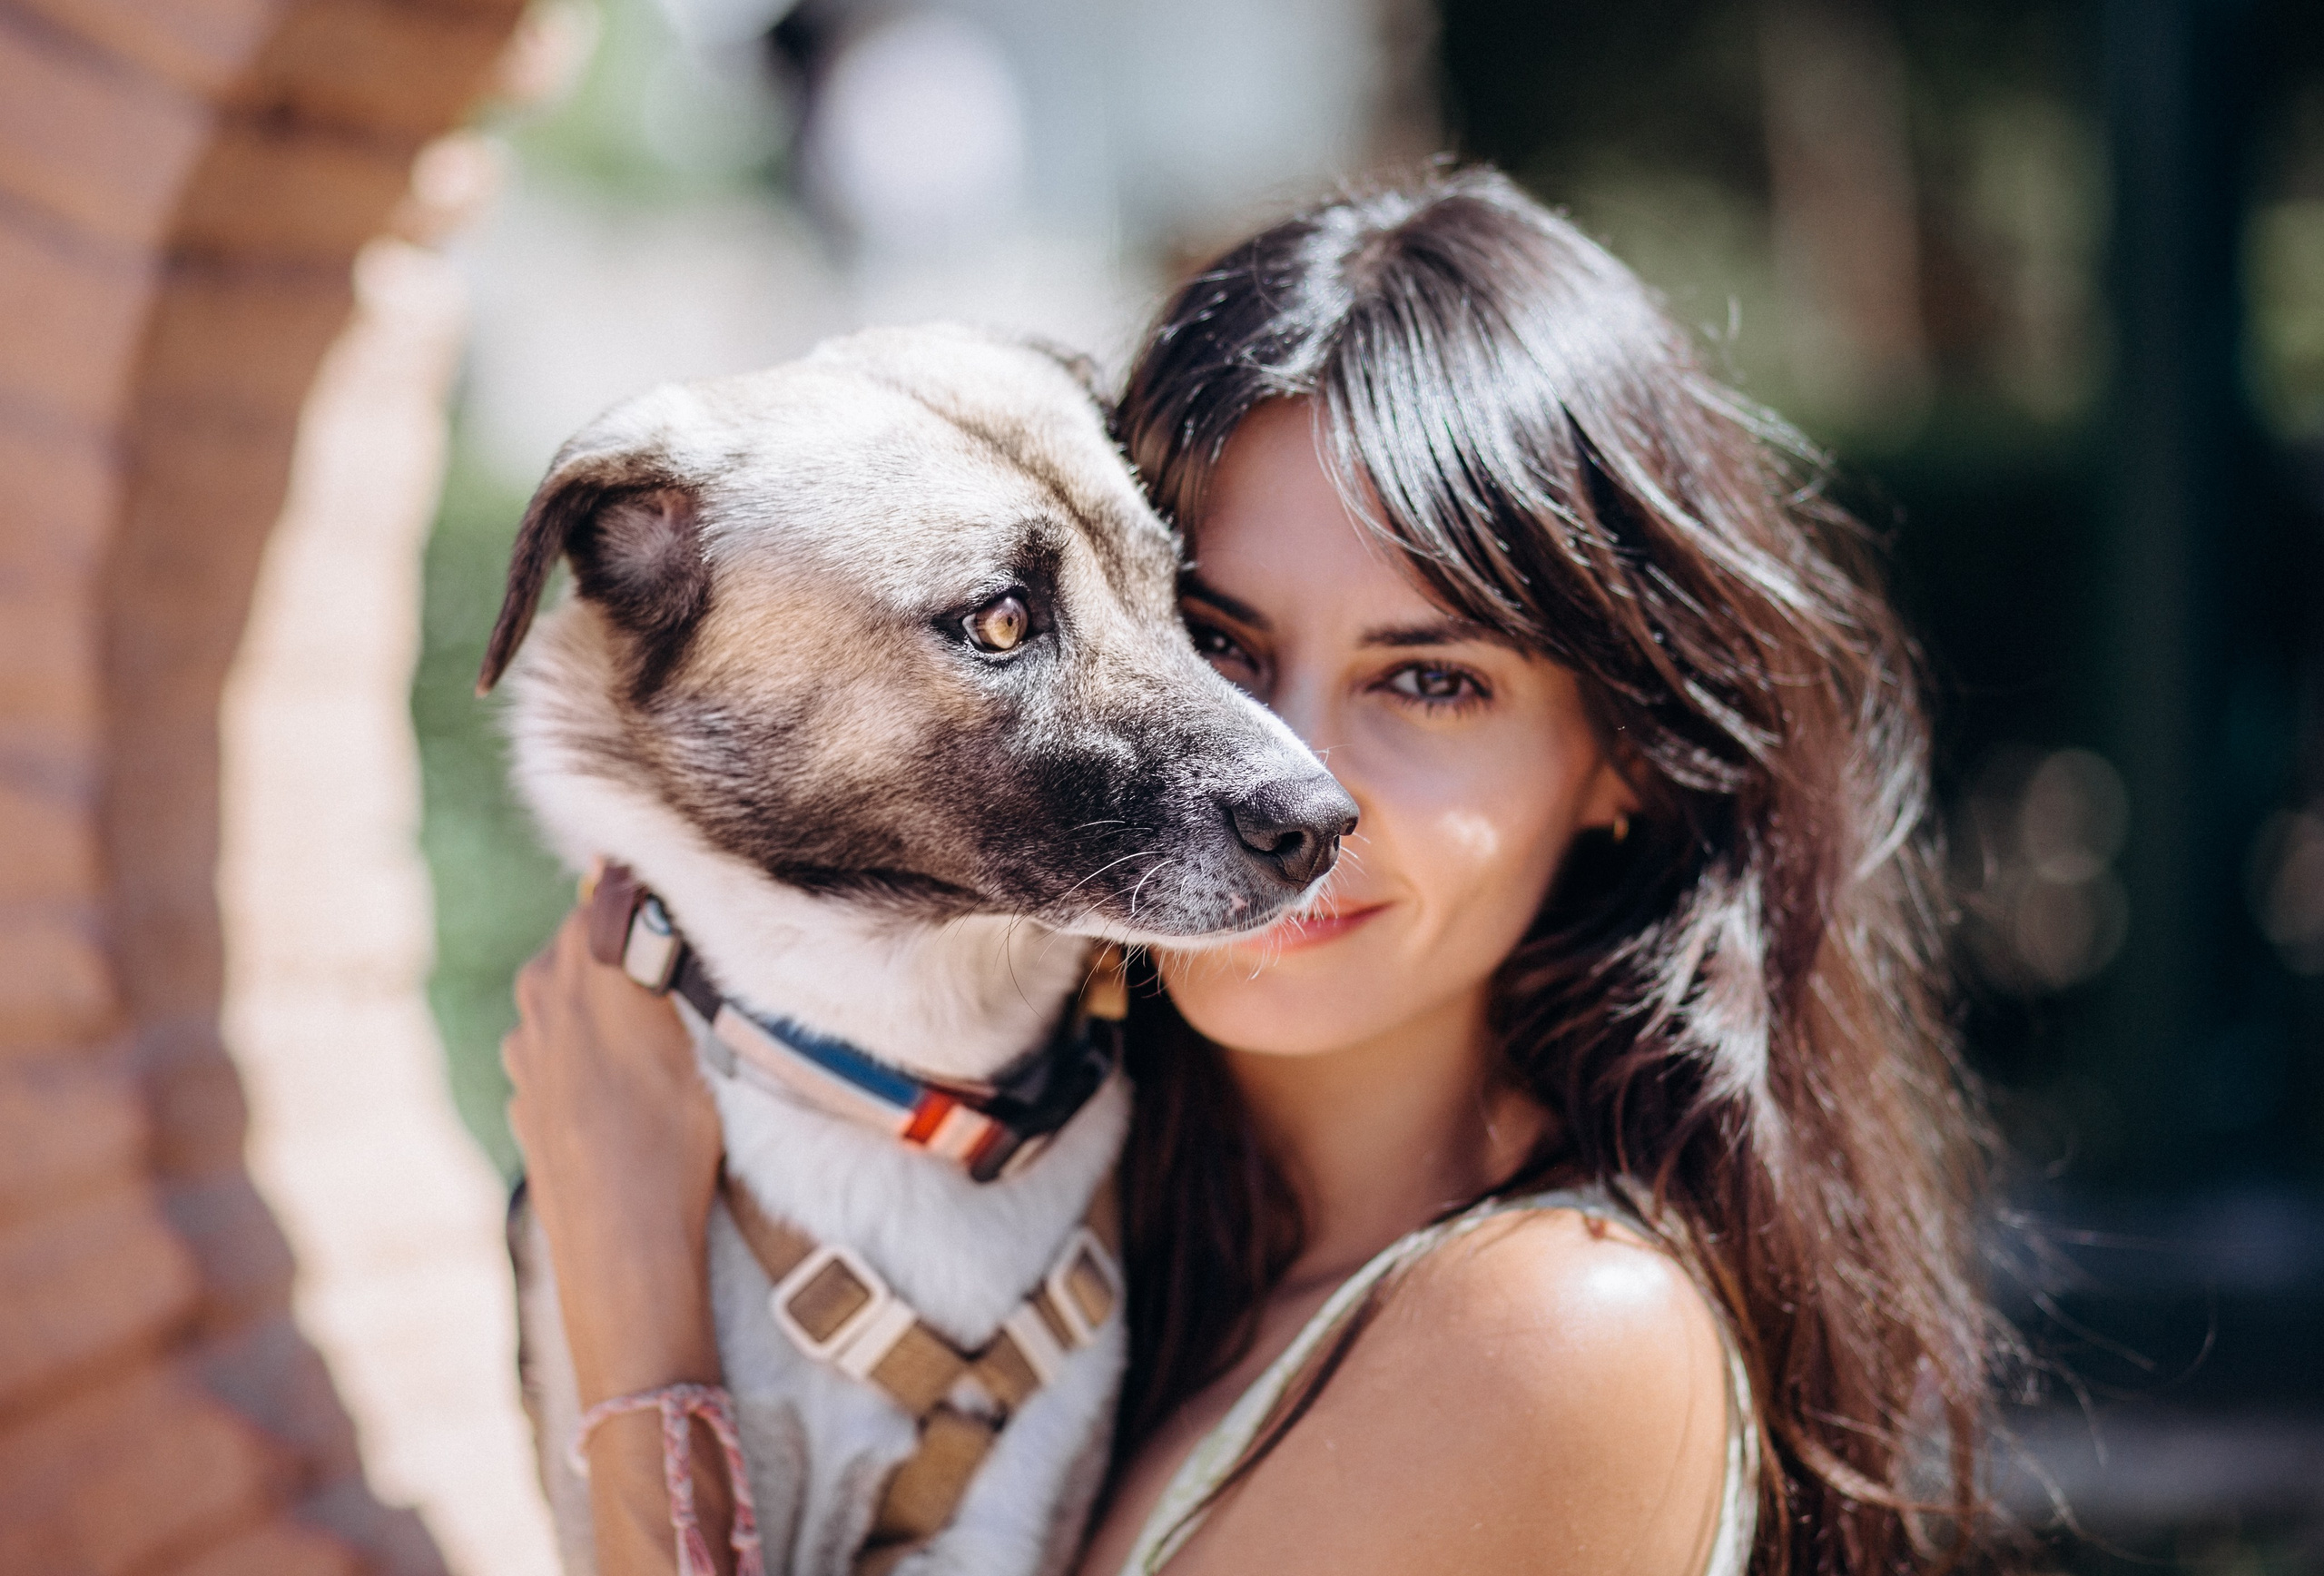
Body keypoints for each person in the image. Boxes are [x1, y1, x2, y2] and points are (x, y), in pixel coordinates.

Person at [503, 168, 2004, 1576]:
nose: (1286, 774)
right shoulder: (1114, 1196)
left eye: (1430, 683)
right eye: (1214, 639)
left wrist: (633, 1316)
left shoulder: (1552, 1337)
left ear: (1625, 754)